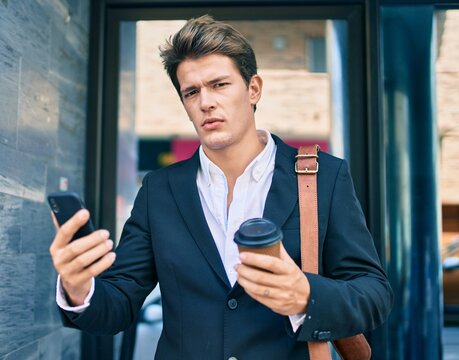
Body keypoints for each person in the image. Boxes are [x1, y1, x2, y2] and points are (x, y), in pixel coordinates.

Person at [50, 15, 393, 359]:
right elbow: (120, 303)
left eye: (220, 85)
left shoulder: (324, 177)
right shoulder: (159, 190)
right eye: (192, 92)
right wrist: (79, 289)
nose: (206, 102)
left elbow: (374, 295)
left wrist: (306, 295)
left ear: (253, 88)